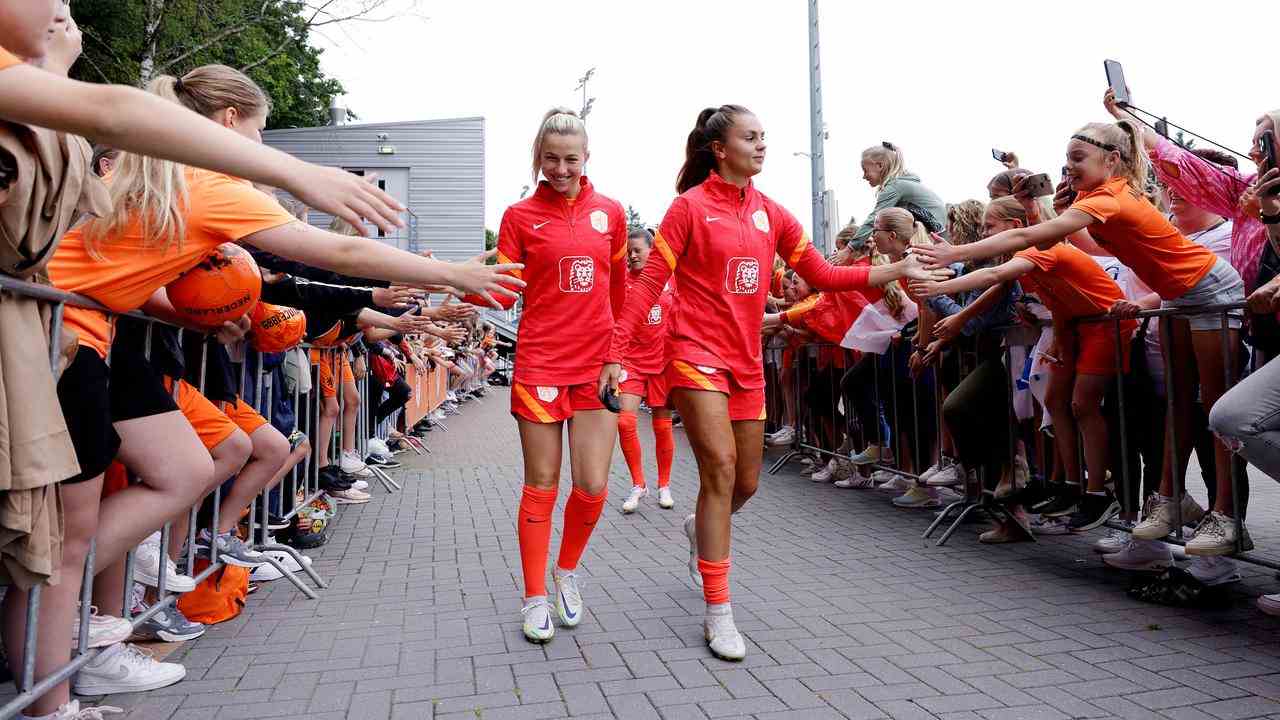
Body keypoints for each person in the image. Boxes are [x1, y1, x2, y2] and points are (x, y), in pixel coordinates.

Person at [19, 64, 520, 720]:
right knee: (70, 540)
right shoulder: (209, 183)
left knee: (184, 470)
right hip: (61, 339)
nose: (260, 145)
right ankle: (50, 675)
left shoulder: (153, 171)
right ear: (229, 123)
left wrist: (184, 313)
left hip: (87, 336)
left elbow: (119, 272)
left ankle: (83, 609)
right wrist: (449, 272)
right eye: (259, 132)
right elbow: (338, 255)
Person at [600, 105, 948, 661]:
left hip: (744, 364)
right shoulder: (688, 209)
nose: (762, 146)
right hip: (693, 357)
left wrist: (898, 270)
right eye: (750, 137)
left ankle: (700, 528)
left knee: (745, 485)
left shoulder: (774, 215)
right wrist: (615, 353)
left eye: (765, 137)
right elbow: (648, 285)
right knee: (717, 471)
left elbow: (825, 276)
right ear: (720, 148)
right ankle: (719, 610)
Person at [913, 114, 1247, 557]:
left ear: (1112, 161)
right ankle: (1170, 498)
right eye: (1065, 159)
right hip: (1176, 296)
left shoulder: (1109, 197)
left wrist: (955, 253)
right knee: (1180, 403)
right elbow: (1078, 242)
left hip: (1210, 290)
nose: (1067, 167)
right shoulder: (1099, 196)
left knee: (1214, 409)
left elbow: (1035, 234)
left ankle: (1226, 515)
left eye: (1077, 158)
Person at [463, 108, 626, 645]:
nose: (560, 168)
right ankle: (535, 596)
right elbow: (506, 290)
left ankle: (567, 571)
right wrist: (468, 284)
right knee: (541, 484)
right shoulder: (518, 216)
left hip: (595, 367)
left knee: (594, 485)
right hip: (540, 363)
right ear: (538, 157)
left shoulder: (611, 214)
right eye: (550, 158)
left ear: (586, 158)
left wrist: (616, 354)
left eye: (570, 158)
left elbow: (621, 293)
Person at [913, 195, 1136, 534]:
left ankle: (1096, 493)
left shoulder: (1042, 250)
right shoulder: (1031, 257)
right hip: (1075, 329)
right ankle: (1070, 486)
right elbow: (1058, 298)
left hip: (1106, 326)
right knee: (1054, 403)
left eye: (991, 228)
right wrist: (1061, 340)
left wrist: (940, 285)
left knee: (1082, 405)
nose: (987, 234)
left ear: (1019, 229)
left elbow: (995, 273)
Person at [616, 226, 677, 514]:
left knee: (662, 425)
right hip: (631, 361)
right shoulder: (622, 282)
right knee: (625, 422)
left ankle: (664, 483)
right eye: (629, 251)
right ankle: (638, 483)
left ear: (653, 251)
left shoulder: (671, 279)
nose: (632, 256)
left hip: (662, 362)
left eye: (638, 250)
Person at [852, 141, 948, 246]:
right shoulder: (902, 183)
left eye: (865, 171)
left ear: (880, 166)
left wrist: (850, 247)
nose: (864, 176)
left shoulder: (894, 186)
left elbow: (874, 219)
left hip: (932, 230)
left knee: (882, 228)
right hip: (937, 228)